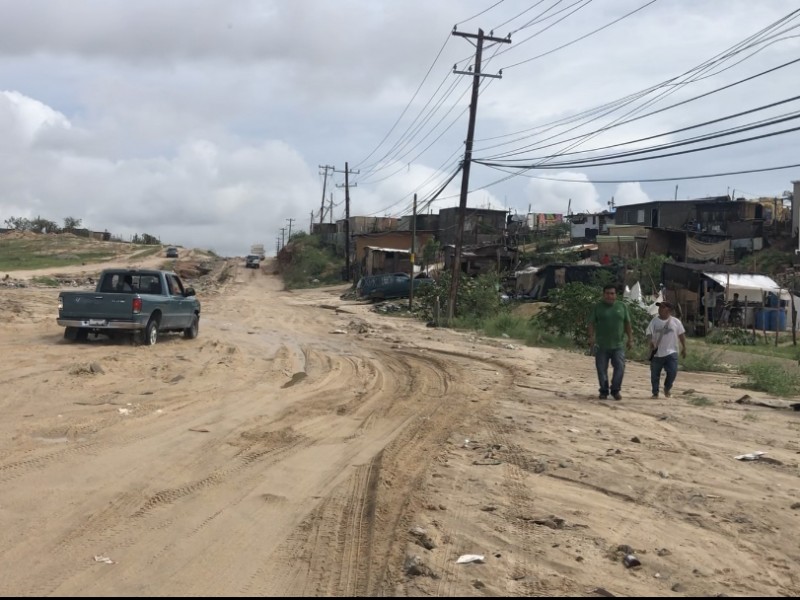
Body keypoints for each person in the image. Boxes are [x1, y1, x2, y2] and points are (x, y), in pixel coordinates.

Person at [587, 284, 634, 400]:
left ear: (615, 295)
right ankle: (603, 391)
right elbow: (591, 323)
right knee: (601, 369)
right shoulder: (598, 307)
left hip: (618, 345)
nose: (610, 296)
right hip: (601, 345)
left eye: (612, 293)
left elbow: (627, 324)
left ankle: (615, 390)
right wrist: (591, 337)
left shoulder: (622, 306)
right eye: (607, 293)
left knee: (620, 367)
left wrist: (630, 339)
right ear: (603, 295)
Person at [646, 301, 687, 399]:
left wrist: (684, 347)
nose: (660, 309)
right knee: (655, 375)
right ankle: (655, 392)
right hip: (657, 353)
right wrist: (651, 341)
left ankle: (667, 388)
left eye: (662, 307)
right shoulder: (654, 321)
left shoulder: (676, 322)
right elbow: (648, 332)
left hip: (671, 352)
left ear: (669, 310)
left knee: (672, 372)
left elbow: (681, 335)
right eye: (659, 307)